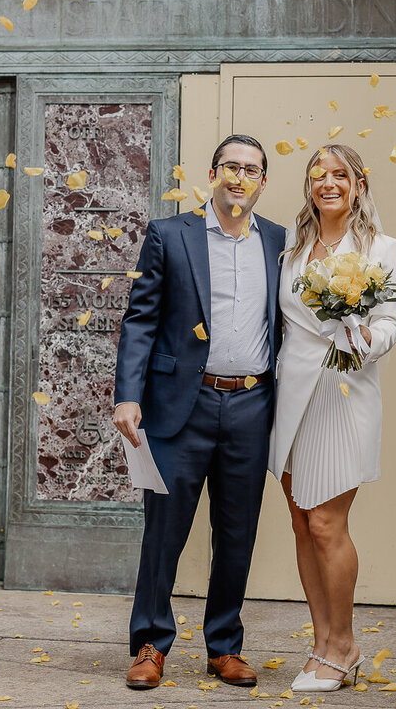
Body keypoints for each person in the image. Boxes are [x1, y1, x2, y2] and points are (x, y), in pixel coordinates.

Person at [113, 134, 287, 690]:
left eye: (251, 170)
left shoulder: (280, 242)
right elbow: (140, 319)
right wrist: (128, 394)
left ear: (263, 181)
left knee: (237, 532)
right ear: (213, 173)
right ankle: (149, 643)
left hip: (252, 403)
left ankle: (224, 646)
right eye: (230, 167)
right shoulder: (170, 234)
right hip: (179, 406)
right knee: (164, 530)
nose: (239, 177)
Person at [268, 143, 396, 693]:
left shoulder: (382, 247)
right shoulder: (290, 245)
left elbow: (392, 322)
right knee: (301, 522)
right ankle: (321, 642)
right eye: (317, 175)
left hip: (344, 391)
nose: (328, 183)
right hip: (289, 394)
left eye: (340, 174)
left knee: (327, 523)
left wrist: (367, 336)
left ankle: (344, 645)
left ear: (358, 184)